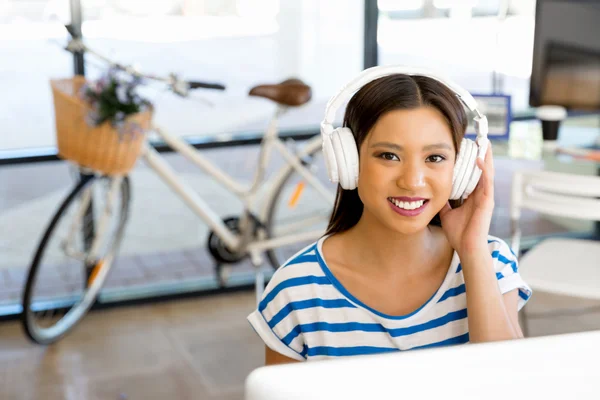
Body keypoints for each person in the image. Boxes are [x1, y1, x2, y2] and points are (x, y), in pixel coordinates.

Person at [247, 66, 532, 365]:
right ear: (349, 162)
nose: (412, 181)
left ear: (460, 170)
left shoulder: (492, 263)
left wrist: (472, 252)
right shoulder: (297, 290)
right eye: (389, 156)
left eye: (435, 158)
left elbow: (508, 383)